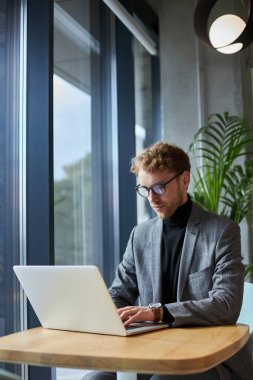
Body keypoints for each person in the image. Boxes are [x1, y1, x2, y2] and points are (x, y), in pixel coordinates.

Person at [84, 141, 253, 380]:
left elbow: (226, 305)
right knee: (95, 379)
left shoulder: (222, 231)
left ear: (184, 180)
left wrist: (157, 312)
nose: (151, 198)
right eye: (144, 189)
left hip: (209, 356)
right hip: (150, 351)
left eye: (159, 187)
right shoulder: (140, 235)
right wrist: (103, 309)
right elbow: (120, 291)